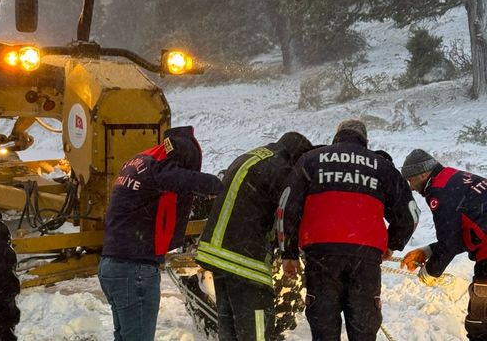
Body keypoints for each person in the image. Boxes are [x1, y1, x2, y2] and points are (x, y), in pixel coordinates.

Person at [280, 119, 419, 341]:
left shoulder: (311, 160)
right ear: (365, 140)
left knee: (324, 330)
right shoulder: (381, 166)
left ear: (337, 136)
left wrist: (289, 253)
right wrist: (391, 244)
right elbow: (410, 215)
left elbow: (287, 207)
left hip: (321, 257)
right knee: (363, 331)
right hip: (365, 260)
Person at [98, 125, 223, 341]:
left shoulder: (140, 162)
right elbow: (181, 179)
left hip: (113, 265)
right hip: (134, 270)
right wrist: (220, 186)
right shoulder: (159, 169)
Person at [195, 131, 313, 341]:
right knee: (256, 331)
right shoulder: (283, 169)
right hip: (245, 260)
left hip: (216, 255)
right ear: (298, 156)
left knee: (229, 329)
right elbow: (288, 213)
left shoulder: (254, 156)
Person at [399, 149, 487, 341]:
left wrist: (431, 271)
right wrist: (428, 250)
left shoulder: (440, 190)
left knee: (480, 326)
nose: (411, 187)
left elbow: (449, 242)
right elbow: (469, 230)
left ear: (423, 173)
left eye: (411, 180)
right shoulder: (456, 178)